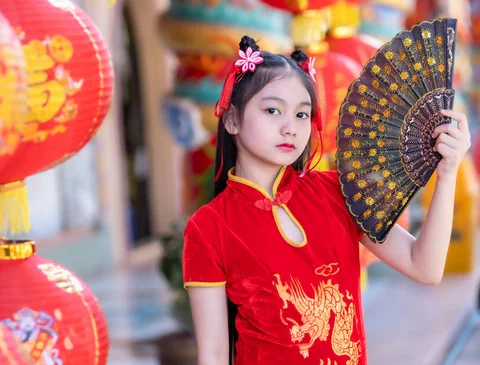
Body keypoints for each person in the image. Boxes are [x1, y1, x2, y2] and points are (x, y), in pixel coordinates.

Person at [182, 35, 471, 365]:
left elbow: (426, 267)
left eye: (302, 114)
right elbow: (215, 354)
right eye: (273, 110)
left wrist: (447, 175)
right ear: (232, 119)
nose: (290, 127)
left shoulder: (340, 192)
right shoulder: (209, 228)